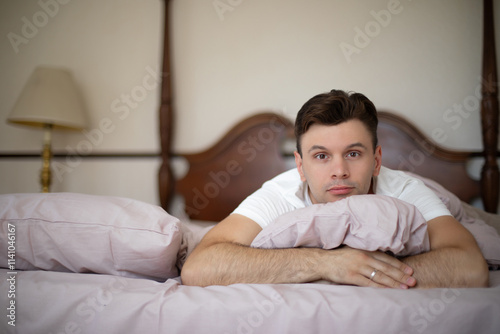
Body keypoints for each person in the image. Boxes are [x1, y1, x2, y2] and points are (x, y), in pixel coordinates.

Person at [181, 89, 489, 288]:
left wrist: (367, 269)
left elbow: (471, 265)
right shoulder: (280, 194)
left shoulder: (405, 188)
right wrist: (329, 264)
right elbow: (199, 267)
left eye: (354, 154)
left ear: (377, 160)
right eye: (321, 156)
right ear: (300, 167)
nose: (339, 171)